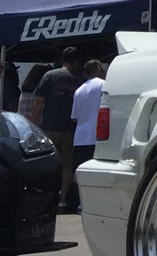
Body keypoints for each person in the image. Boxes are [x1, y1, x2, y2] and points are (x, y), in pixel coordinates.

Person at [33, 48, 84, 213]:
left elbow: (39, 102)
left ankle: (48, 198)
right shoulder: (80, 79)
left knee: (48, 164)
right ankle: (62, 200)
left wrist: (32, 124)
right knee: (67, 165)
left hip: (49, 126)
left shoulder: (50, 76)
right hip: (71, 128)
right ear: (76, 61)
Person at [71, 60, 106, 171]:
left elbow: (74, 118)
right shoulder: (103, 85)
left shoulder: (79, 90)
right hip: (96, 137)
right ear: (99, 68)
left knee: (81, 171)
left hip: (80, 138)